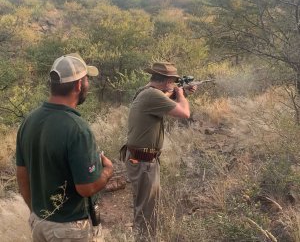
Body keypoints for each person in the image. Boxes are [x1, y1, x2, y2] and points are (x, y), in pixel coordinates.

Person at [16, 53, 114, 242]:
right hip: (70, 228)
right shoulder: (77, 128)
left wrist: (37, 214)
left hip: (39, 222)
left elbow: (22, 175)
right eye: (86, 79)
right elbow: (87, 188)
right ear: (79, 85)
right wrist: (108, 170)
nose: (88, 85)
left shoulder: (29, 120)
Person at [120, 62, 196, 241]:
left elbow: (167, 100)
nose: (174, 83)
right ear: (168, 81)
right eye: (173, 81)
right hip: (144, 161)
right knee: (146, 211)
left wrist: (179, 93)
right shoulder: (153, 95)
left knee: (146, 208)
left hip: (142, 160)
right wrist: (182, 96)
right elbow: (184, 113)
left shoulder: (146, 92)